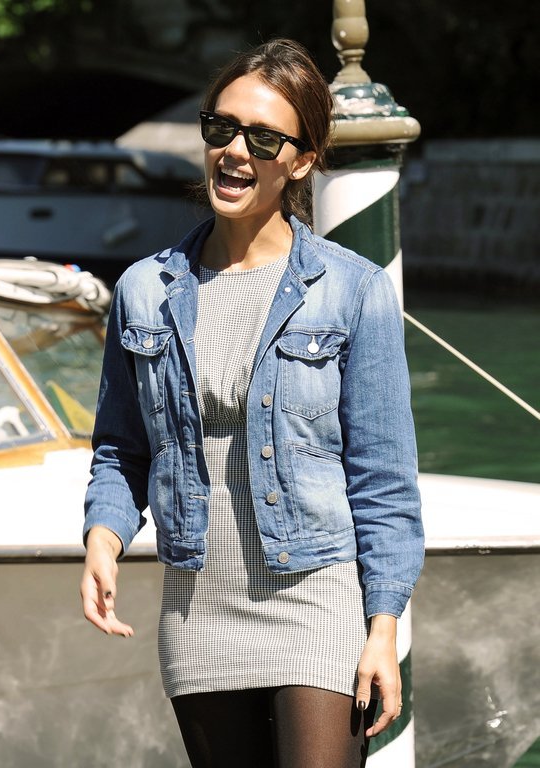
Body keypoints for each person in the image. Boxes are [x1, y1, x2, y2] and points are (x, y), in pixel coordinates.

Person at [80, 38, 424, 768]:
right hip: (198, 605)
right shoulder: (143, 289)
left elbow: (384, 482)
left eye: (264, 138)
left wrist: (383, 627)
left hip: (318, 600)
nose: (235, 151)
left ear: (302, 160)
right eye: (222, 128)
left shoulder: (353, 290)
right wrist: (104, 539)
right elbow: (120, 448)